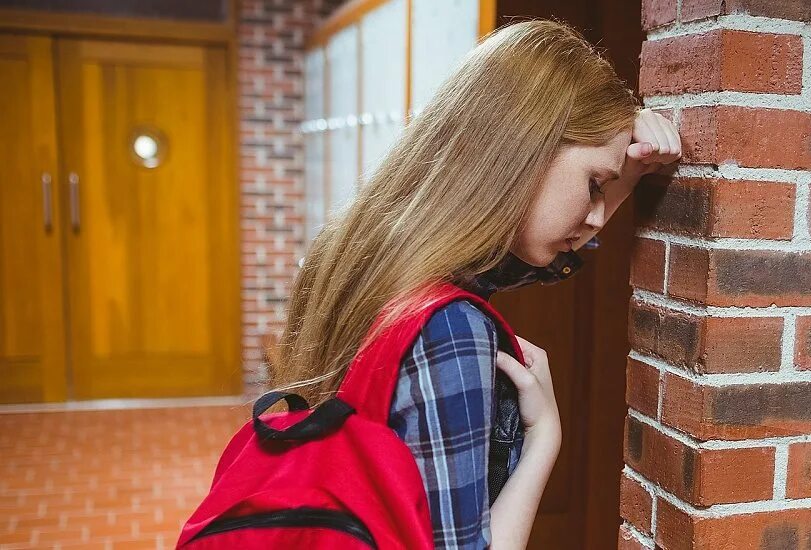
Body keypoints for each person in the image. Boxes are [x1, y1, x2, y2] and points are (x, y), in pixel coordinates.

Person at [271, 20, 681, 549]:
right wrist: (544, 440)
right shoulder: (450, 330)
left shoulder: (363, 253)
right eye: (592, 185)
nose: (597, 218)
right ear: (523, 152)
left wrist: (625, 173)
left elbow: (529, 255)